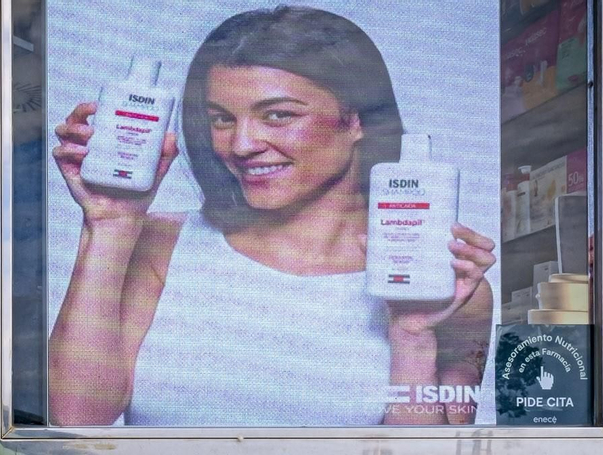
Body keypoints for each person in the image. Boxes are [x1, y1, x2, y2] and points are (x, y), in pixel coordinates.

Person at [47, 5, 495, 426]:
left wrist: (412, 335)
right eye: (221, 120)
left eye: (278, 115)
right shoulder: (158, 245)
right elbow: (77, 419)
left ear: (356, 120)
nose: (242, 145)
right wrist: (111, 224)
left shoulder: (446, 284)